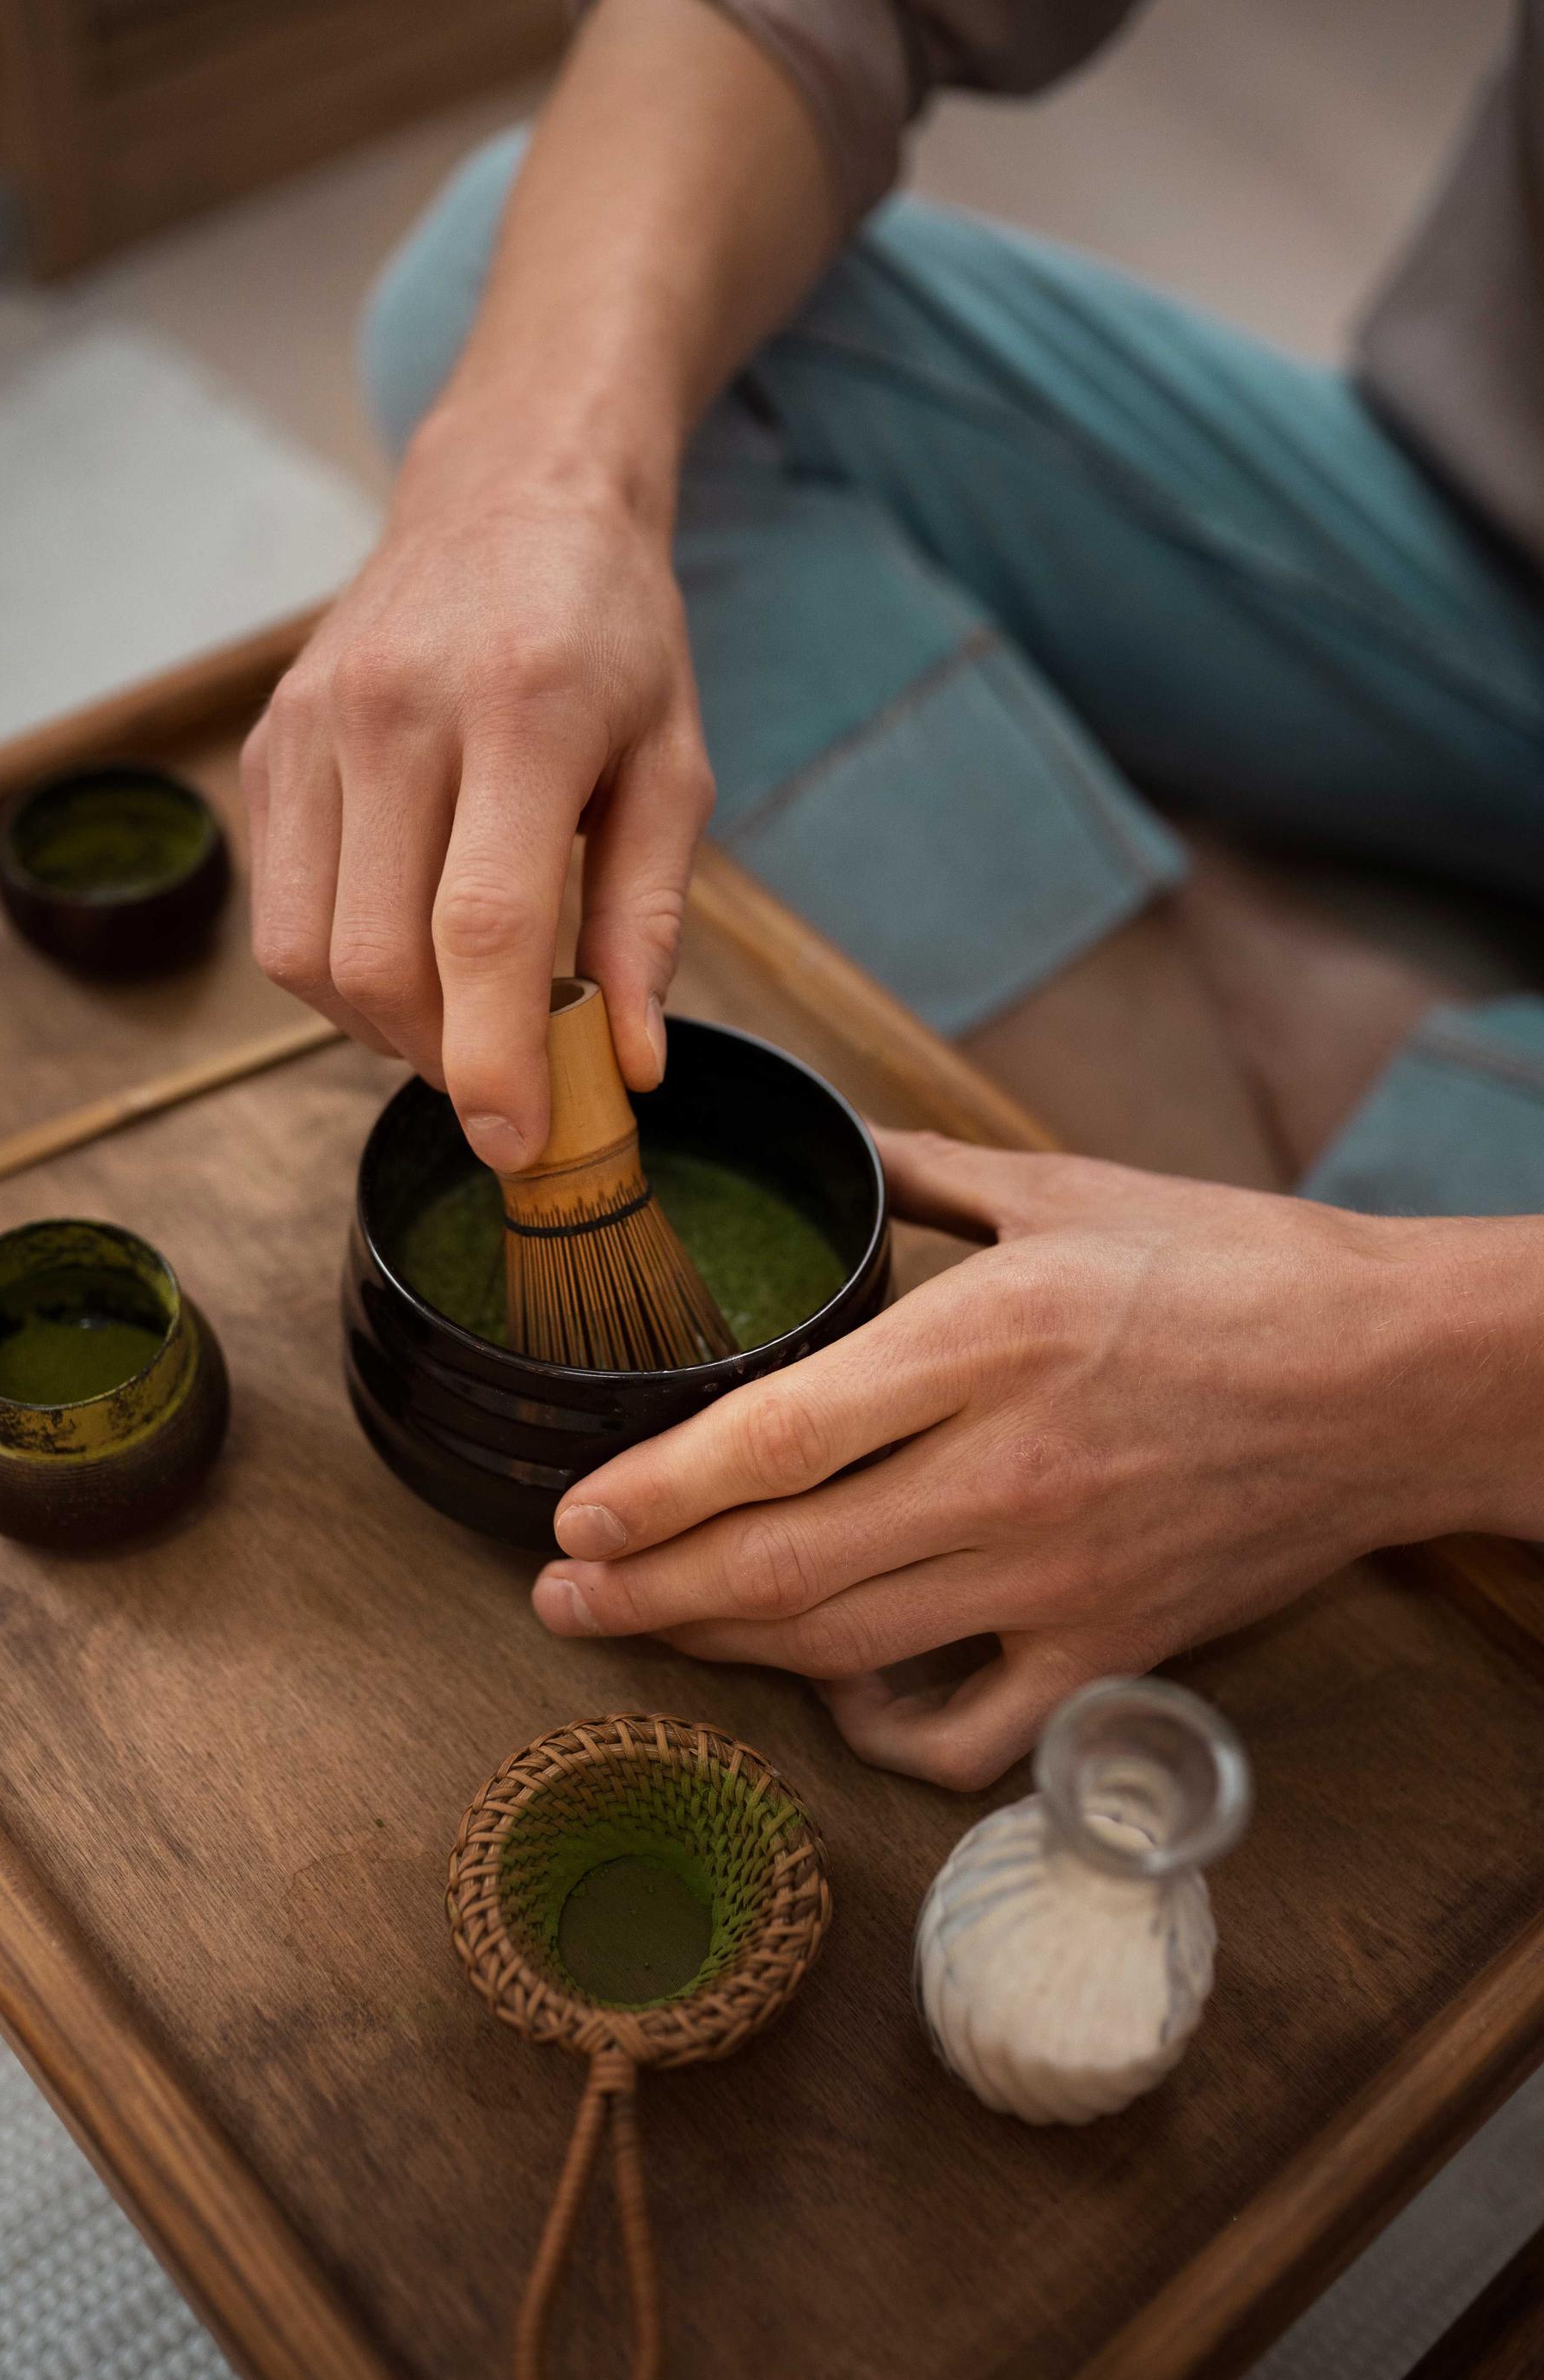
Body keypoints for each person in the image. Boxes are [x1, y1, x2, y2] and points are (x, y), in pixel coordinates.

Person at [242, 0, 1544, 1788]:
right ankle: (1312, 1060)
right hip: (1499, 556)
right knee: (514, 287)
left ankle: (1327, 1062)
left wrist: (1413, 1377)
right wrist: (533, 483)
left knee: (1416, 1351)